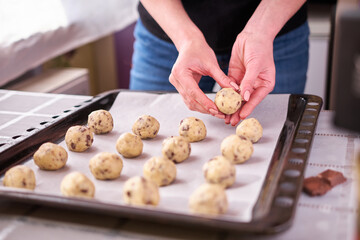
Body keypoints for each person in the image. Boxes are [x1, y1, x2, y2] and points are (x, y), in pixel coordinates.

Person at [130, 0, 309, 126]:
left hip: (273, 33)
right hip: (167, 31)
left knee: (280, 135)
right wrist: (186, 40)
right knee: (144, 125)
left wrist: (262, 30)